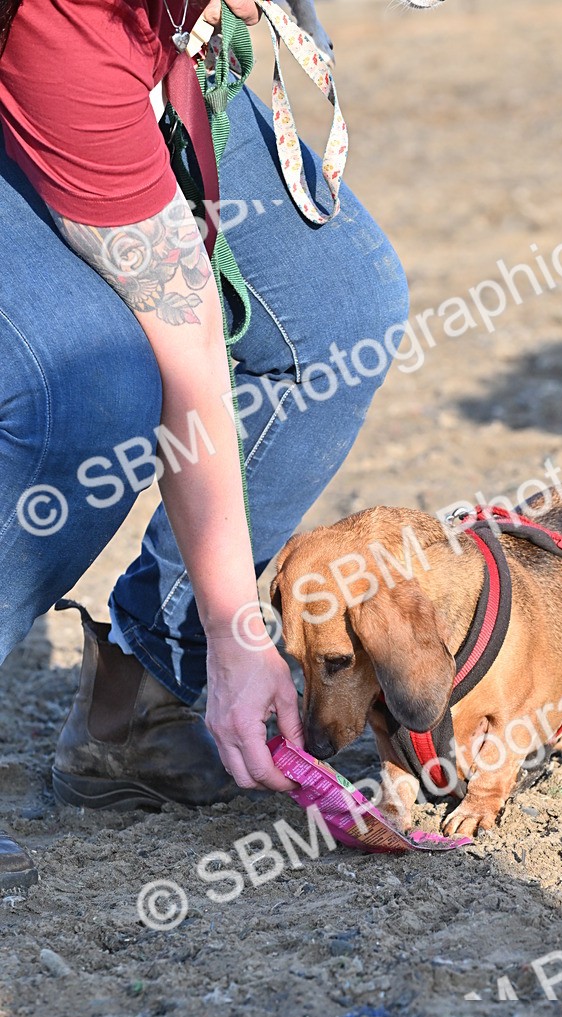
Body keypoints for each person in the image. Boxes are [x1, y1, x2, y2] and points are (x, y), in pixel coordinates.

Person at [0, 0, 409, 892]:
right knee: (90, 393)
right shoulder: (68, 25)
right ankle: (216, 663)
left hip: (143, 52)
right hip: (55, 56)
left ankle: (144, 700)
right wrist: (237, 623)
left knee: (339, 316)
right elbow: (186, 359)